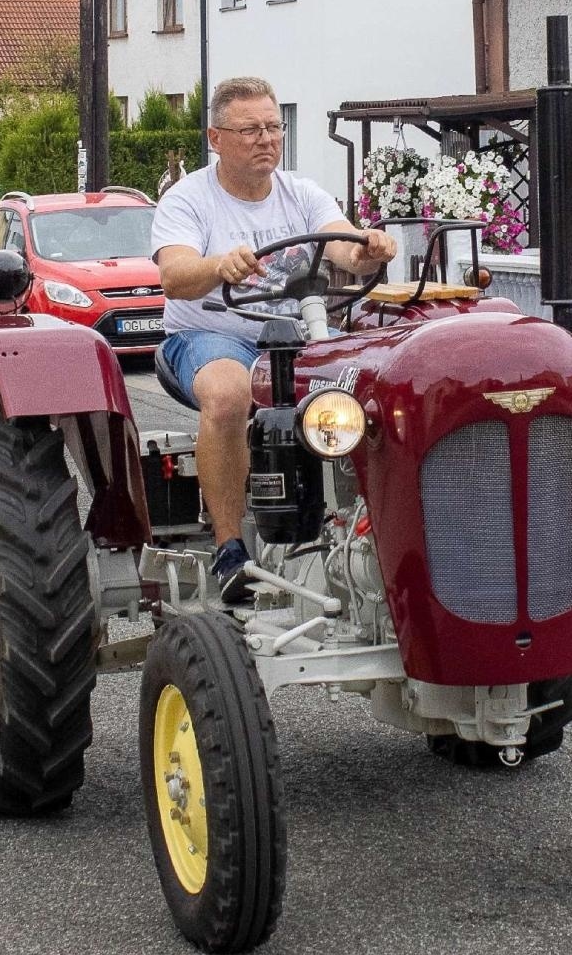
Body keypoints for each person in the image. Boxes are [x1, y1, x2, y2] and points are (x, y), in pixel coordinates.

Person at [150, 76, 397, 603]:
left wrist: (368, 249)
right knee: (229, 393)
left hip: (297, 340)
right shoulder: (187, 200)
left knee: (380, 384)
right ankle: (230, 548)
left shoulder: (301, 193)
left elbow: (343, 249)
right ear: (215, 138)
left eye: (273, 126)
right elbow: (174, 277)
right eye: (250, 130)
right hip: (210, 334)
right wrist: (219, 264)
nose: (266, 139)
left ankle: (370, 534)